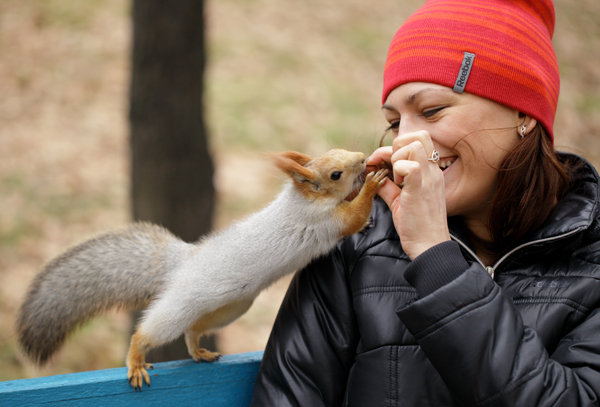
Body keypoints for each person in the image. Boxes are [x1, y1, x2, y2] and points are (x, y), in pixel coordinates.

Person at [251, 0, 600, 405]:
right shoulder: (356, 241)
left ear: (522, 110)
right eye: (395, 123)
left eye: (432, 111)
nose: (405, 142)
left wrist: (436, 257)